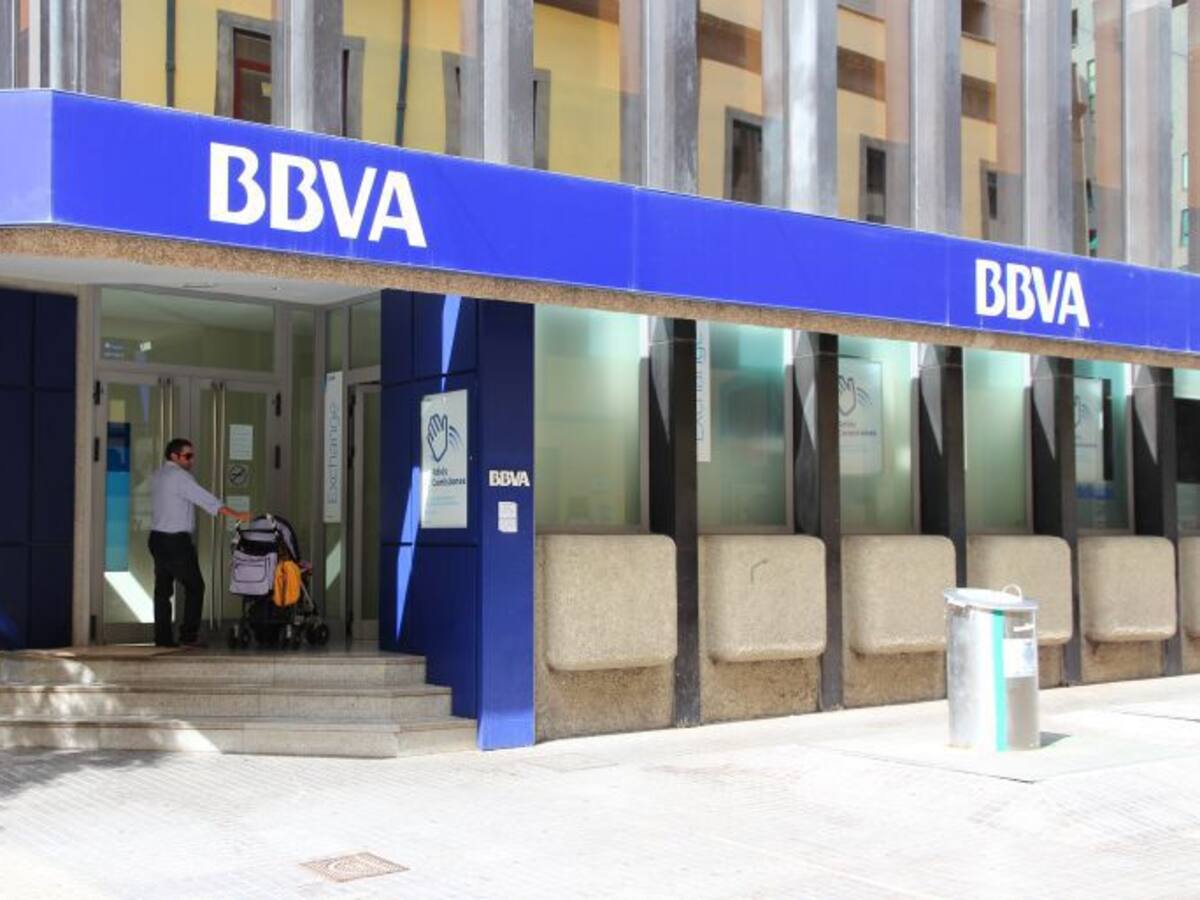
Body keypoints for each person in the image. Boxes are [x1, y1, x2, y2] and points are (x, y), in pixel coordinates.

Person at [148, 438, 251, 648]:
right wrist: (236, 514)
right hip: (175, 540)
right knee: (195, 586)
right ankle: (188, 635)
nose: (191, 460)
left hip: (157, 538)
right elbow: (205, 499)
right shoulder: (180, 477)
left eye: (192, 455)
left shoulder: (158, 475)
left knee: (162, 591)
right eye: (187, 456)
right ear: (174, 456)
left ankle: (163, 638)